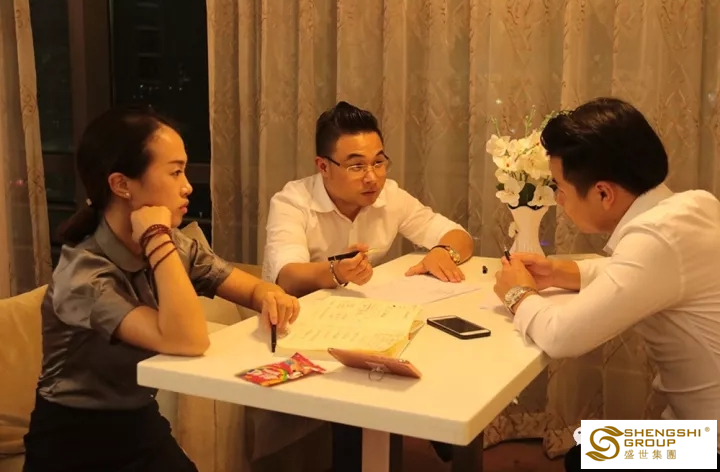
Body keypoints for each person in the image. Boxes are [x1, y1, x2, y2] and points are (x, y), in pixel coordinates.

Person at [22, 105, 300, 472]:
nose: (187, 186)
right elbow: (187, 339)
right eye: (175, 172)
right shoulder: (84, 275)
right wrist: (155, 237)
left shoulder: (175, 245)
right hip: (73, 439)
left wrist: (270, 295)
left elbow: (249, 289)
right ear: (122, 185)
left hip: (137, 421)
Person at [492, 97, 720, 470]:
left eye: (560, 187)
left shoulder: (655, 238)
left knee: (587, 455)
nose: (559, 199)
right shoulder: (694, 206)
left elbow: (562, 336)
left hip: (709, 445)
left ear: (603, 193)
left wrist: (517, 294)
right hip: (700, 427)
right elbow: (637, 274)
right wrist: (562, 273)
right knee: (587, 451)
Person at [262, 101, 474, 468]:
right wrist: (335, 272)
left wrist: (444, 252)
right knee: (360, 390)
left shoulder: (390, 196)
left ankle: (447, 432)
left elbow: (459, 236)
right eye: (357, 166)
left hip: (359, 322)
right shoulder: (293, 201)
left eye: (379, 162)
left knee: (439, 348)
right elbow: (287, 276)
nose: (372, 177)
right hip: (296, 326)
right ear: (323, 166)